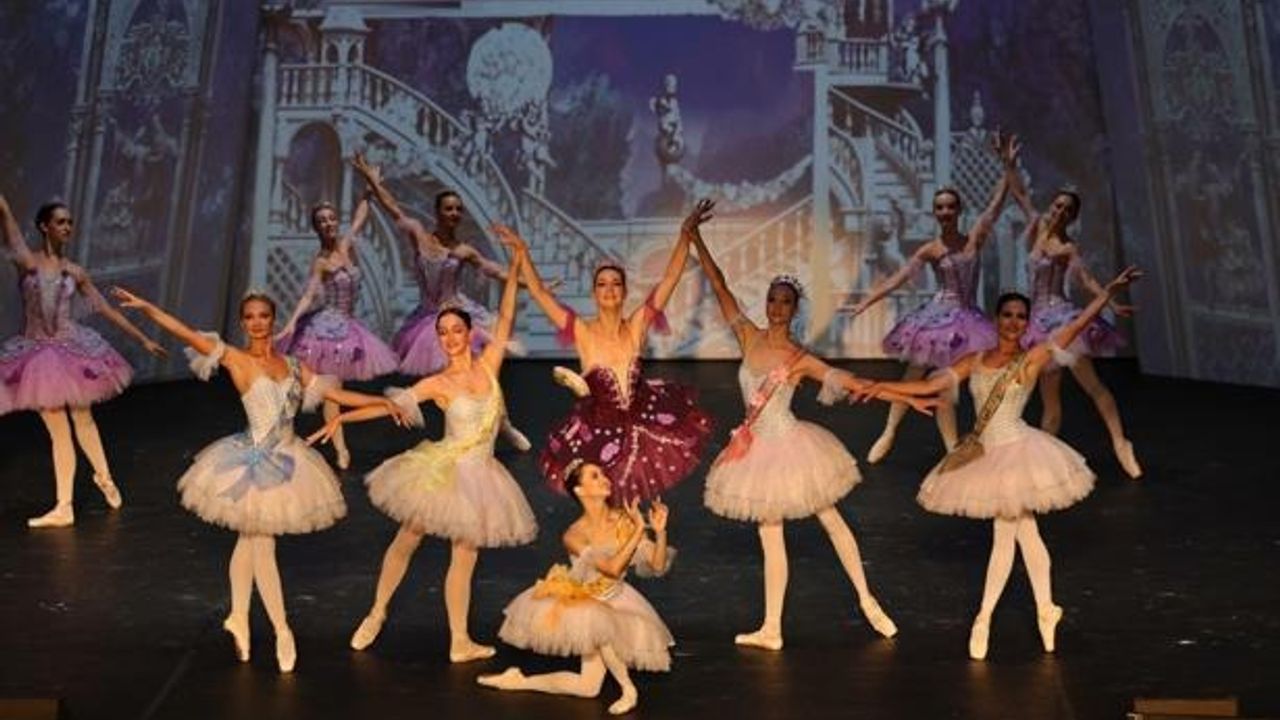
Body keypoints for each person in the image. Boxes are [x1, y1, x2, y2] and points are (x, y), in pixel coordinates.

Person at [856, 266, 1141, 659]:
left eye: (1021, 316)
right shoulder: (973, 360)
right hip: (987, 454)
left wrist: (1106, 293)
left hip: (1018, 451)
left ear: (1027, 323)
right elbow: (928, 385)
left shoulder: (1031, 359)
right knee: (1026, 533)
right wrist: (879, 386)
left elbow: (1074, 328)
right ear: (996, 318)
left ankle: (984, 619)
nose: (1013, 321)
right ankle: (1045, 610)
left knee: (1006, 536)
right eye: (1007, 314)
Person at [111, 286, 400, 672]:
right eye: (250, 317)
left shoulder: (293, 365)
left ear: (273, 320)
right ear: (242, 323)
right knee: (262, 545)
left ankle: (238, 617)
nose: (257, 323)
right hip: (253, 462)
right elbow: (185, 333)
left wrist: (383, 401)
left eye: (264, 315)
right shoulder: (236, 359)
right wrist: (147, 306)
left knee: (249, 540)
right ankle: (282, 630)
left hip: (290, 460)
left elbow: (336, 395)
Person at [688, 217, 934, 649]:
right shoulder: (747, 335)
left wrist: (905, 396)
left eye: (786, 301)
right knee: (769, 535)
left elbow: (854, 382)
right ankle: (772, 628)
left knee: (830, 519)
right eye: (773, 299)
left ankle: (868, 601)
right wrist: (695, 238)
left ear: (794, 309)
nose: (777, 307)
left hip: (789, 446)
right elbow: (719, 284)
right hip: (755, 450)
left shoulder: (798, 358)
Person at [309, 231, 536, 662]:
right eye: (443, 332)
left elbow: (507, 315)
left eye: (456, 330)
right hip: (442, 470)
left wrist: (518, 260)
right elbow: (389, 406)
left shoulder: (489, 364)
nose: (450, 337)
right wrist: (341, 417)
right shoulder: (437, 383)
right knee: (408, 538)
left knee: (465, 556)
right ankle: (376, 612)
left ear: (469, 333)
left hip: (482, 476)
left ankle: (459, 641)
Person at [508, 203, 714, 505]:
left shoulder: (636, 327)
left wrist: (685, 236)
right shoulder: (582, 331)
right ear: (594, 293)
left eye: (616, 283)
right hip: (600, 430)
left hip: (642, 424)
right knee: (605, 503)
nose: (609, 289)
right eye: (602, 284)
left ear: (625, 291)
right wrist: (523, 253)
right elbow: (539, 293)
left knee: (634, 507)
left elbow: (670, 279)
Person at [0, 194, 166, 527]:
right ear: (44, 227)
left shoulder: (75, 272)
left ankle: (104, 477)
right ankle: (65, 506)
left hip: (69, 350)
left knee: (84, 419)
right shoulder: (27, 262)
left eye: (70, 222)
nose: (67, 227)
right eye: (60, 222)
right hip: (37, 356)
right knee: (59, 431)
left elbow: (105, 309)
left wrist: (143, 338)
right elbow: (8, 223)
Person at [851, 133, 1018, 463]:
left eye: (950, 207)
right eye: (940, 207)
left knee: (949, 384)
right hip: (937, 318)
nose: (945, 211)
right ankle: (889, 431)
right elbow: (899, 278)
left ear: (959, 210)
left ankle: (953, 449)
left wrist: (1008, 167)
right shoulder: (931, 249)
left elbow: (996, 206)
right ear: (934, 213)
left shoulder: (974, 238)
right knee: (913, 375)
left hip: (968, 320)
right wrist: (868, 299)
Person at [478, 460, 673, 716]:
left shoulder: (624, 519)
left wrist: (660, 532)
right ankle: (628, 689)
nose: (605, 479)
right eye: (595, 476)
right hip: (585, 603)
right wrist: (638, 530)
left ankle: (517, 681)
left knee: (587, 687)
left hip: (617, 598)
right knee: (602, 626)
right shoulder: (574, 535)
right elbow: (612, 568)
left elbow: (657, 565)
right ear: (580, 490)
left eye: (603, 474)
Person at [1006, 168, 1142, 478]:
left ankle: (1121, 443)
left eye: (1067, 210)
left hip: (1062, 320)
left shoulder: (1068, 248)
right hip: (1037, 325)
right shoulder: (1037, 226)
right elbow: (1019, 194)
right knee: (1050, 400)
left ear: (1072, 217)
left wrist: (1111, 300)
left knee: (1092, 385)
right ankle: (1042, 464)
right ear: (1051, 207)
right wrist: (1009, 165)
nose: (1060, 212)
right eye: (1058, 206)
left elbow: (1085, 279)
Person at [275, 192, 399, 469]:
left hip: (348, 327)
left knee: (328, 390)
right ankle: (339, 448)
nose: (329, 224)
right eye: (322, 221)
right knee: (330, 391)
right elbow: (308, 296)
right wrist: (291, 322)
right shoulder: (321, 261)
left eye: (331, 219)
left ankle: (311, 436)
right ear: (316, 227)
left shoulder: (346, 244)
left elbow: (359, 219)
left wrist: (369, 191)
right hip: (326, 331)